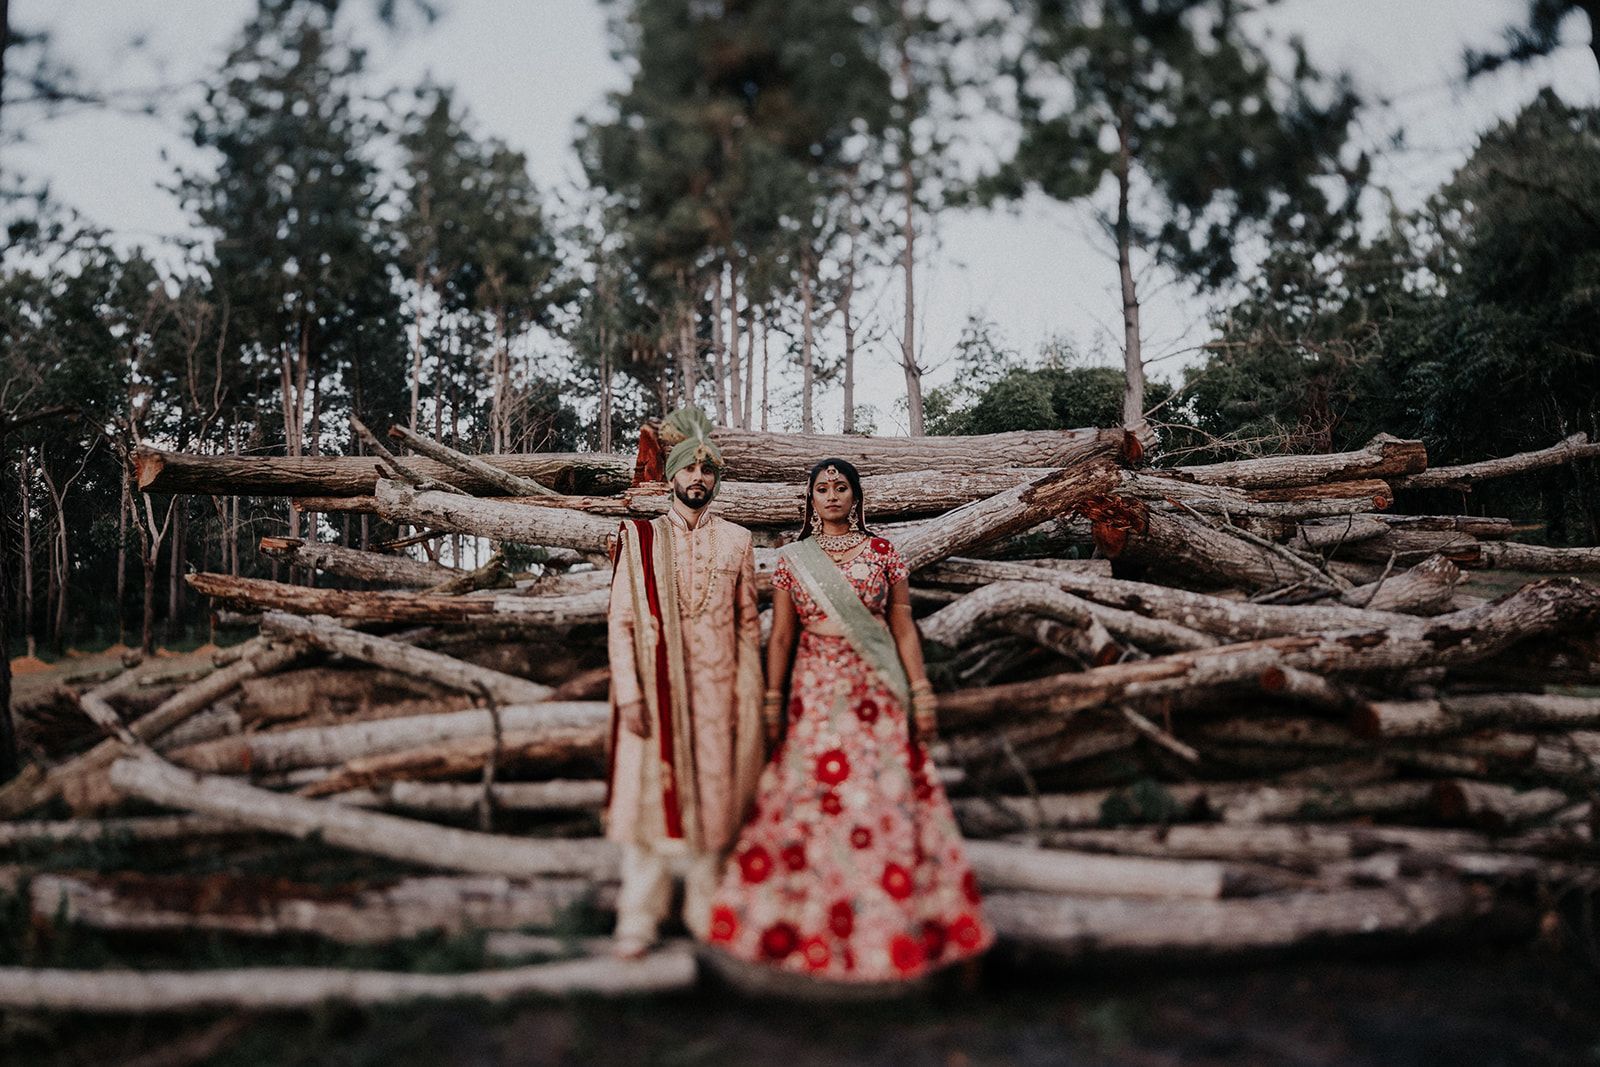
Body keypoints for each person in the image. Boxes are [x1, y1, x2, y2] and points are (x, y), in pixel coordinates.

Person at [703, 457, 993, 990]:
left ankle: (897, 930)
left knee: (885, 799)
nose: (832, 495)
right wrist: (773, 701)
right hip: (815, 694)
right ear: (811, 499)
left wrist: (921, 691)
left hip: (876, 692)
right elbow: (782, 637)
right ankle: (805, 933)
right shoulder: (793, 560)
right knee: (812, 801)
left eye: (841, 487)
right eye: (822, 488)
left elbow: (901, 625)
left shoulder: (884, 553)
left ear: (856, 496)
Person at [605, 406, 765, 959]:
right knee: (650, 796)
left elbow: (748, 625)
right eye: (690, 469)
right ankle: (638, 917)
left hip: (718, 693)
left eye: (708, 470)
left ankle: (705, 911)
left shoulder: (739, 541)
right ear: (672, 476)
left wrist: (748, 694)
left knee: (715, 801)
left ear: (716, 479)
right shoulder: (640, 538)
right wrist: (629, 694)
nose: (699, 478)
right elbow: (621, 621)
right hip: (655, 691)